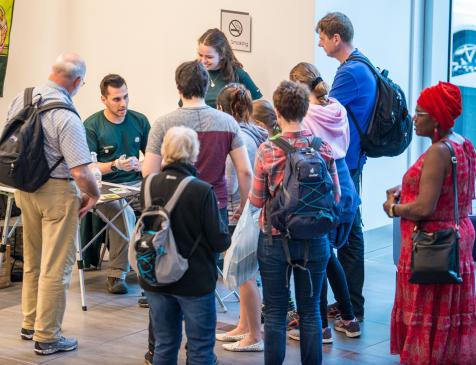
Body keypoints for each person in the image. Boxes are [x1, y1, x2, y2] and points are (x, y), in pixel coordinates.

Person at [142, 60, 252, 364]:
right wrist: (243, 209)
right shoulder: (227, 123)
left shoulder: (164, 123)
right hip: (210, 207)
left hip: (167, 211)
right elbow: (244, 171)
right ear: (207, 88)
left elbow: (149, 173)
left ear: (179, 89)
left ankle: (158, 347)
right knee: (200, 277)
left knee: (163, 269)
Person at [5, 53, 100, 355]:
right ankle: (47, 336)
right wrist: (94, 194)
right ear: (75, 81)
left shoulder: (23, 97)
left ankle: (30, 322)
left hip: (23, 188)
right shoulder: (67, 116)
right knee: (57, 266)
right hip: (56, 193)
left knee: (33, 259)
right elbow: (80, 171)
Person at [383, 82, 476, 365]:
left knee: (429, 314)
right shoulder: (463, 144)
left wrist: (394, 207)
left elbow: (425, 207)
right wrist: (405, 189)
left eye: (419, 112)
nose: (413, 117)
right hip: (457, 238)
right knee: (446, 314)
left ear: (435, 118)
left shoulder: (438, 152)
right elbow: (451, 191)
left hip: (431, 244)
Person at [249, 80, 338, 365]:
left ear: (277, 111)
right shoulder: (322, 147)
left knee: (275, 312)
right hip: (315, 238)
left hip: (275, 238)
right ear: (305, 109)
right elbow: (335, 195)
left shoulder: (267, 149)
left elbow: (256, 199)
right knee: (311, 311)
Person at [136, 126, 230, 365]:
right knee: (199, 348)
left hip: (154, 276)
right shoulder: (201, 190)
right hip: (194, 280)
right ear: (194, 152)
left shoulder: (147, 185)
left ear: (165, 151)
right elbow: (219, 241)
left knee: (164, 344)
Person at [288, 62, 361, 343]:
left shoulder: (305, 117)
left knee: (318, 256)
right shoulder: (337, 108)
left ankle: (319, 327)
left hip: (323, 188)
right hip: (346, 184)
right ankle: (349, 318)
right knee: (328, 256)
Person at [316, 12, 377, 321]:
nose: (320, 42)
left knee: (347, 233)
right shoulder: (362, 64)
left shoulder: (349, 73)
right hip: (354, 158)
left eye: (323, 37)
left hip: (346, 161)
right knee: (351, 230)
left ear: (336, 38)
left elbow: (325, 114)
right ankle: (350, 303)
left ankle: (350, 305)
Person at [83, 74, 150, 294]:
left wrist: (140, 165)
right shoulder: (92, 125)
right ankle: (117, 274)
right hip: (103, 189)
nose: (123, 104)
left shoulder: (139, 120)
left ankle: (156, 267)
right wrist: (115, 165)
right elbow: (89, 169)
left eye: (126, 97)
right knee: (124, 212)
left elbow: (153, 158)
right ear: (104, 99)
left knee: (166, 205)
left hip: (136, 184)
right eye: (116, 99)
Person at [215, 84, 266, 352]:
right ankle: (244, 325)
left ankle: (254, 335)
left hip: (241, 210)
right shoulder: (254, 132)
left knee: (243, 273)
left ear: (222, 108)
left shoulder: (239, 138)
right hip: (251, 209)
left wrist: (244, 207)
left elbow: (234, 179)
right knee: (246, 271)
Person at [197, 28, 262, 108]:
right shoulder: (194, 73)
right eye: (200, 55)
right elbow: (184, 106)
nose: (203, 61)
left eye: (209, 57)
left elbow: (259, 108)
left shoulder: (239, 74)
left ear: (222, 55)